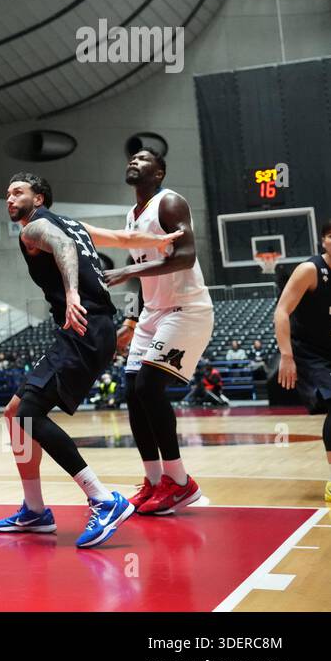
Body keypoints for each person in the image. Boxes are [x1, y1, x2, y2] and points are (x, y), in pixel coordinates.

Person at [0, 172, 138, 549]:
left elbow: (62, 247)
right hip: (95, 327)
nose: (9, 198)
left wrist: (72, 292)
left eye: (18, 192)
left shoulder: (35, 228)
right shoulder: (74, 223)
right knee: (15, 413)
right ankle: (35, 511)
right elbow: (123, 241)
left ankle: (104, 499)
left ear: (38, 199)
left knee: (26, 414)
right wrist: (161, 246)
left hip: (82, 326)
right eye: (7, 193)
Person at [101, 149, 213, 516]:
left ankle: (181, 483)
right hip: (152, 313)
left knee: (149, 386)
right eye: (131, 157)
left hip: (187, 309)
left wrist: (126, 272)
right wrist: (131, 322)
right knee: (132, 391)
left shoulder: (170, 203)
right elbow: (144, 280)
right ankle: (153, 480)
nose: (133, 161)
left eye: (144, 158)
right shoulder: (131, 216)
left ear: (159, 171)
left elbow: (186, 256)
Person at [273, 217, 331, 502]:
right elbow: (282, 311)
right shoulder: (310, 270)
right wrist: (286, 356)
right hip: (309, 351)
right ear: (323, 240)